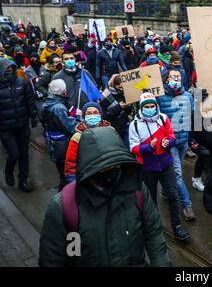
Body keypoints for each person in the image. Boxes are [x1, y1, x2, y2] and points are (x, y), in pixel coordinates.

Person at [39, 127, 171, 266]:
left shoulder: (136, 189)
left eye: (115, 165)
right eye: (103, 167)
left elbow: (154, 235)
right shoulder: (64, 207)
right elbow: (54, 260)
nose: (110, 171)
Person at [129, 92, 190, 241]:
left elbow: (172, 137)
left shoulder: (163, 119)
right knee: (151, 201)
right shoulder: (135, 125)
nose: (150, 109)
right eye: (147, 107)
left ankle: (177, 227)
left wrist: (168, 143)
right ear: (141, 108)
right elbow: (133, 147)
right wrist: (148, 147)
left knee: (173, 195)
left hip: (165, 164)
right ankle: (154, 229)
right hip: (147, 168)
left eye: (152, 106)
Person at [157, 69, 196, 221]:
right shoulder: (159, 97)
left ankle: (167, 191)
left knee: (174, 172)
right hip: (170, 143)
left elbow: (194, 117)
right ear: (166, 79)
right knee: (178, 175)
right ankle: (187, 206)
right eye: (173, 77)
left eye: (179, 77)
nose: (176, 79)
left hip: (183, 141)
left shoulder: (187, 96)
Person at [0, 58, 38, 192]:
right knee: (14, 154)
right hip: (6, 129)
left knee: (24, 155)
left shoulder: (21, 82)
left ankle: (23, 179)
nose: (9, 71)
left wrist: (34, 115)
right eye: (6, 69)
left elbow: (30, 100)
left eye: (11, 68)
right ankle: (8, 171)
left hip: (22, 126)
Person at [40, 79, 77, 191]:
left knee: (61, 171)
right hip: (62, 145)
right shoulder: (58, 108)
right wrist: (78, 117)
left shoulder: (47, 103)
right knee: (66, 174)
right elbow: (70, 128)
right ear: (63, 92)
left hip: (53, 143)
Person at [64, 102, 111, 184]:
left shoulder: (111, 131)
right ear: (84, 116)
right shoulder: (77, 137)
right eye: (89, 113)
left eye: (96, 113)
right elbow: (70, 164)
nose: (92, 116)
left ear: (100, 114)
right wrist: (73, 182)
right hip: (87, 178)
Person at [100, 75, 132, 146]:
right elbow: (105, 115)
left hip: (124, 126)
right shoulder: (105, 96)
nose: (121, 89)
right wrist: (119, 107)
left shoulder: (124, 93)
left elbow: (128, 112)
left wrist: (128, 106)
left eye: (122, 87)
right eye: (119, 87)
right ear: (114, 85)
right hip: (113, 129)